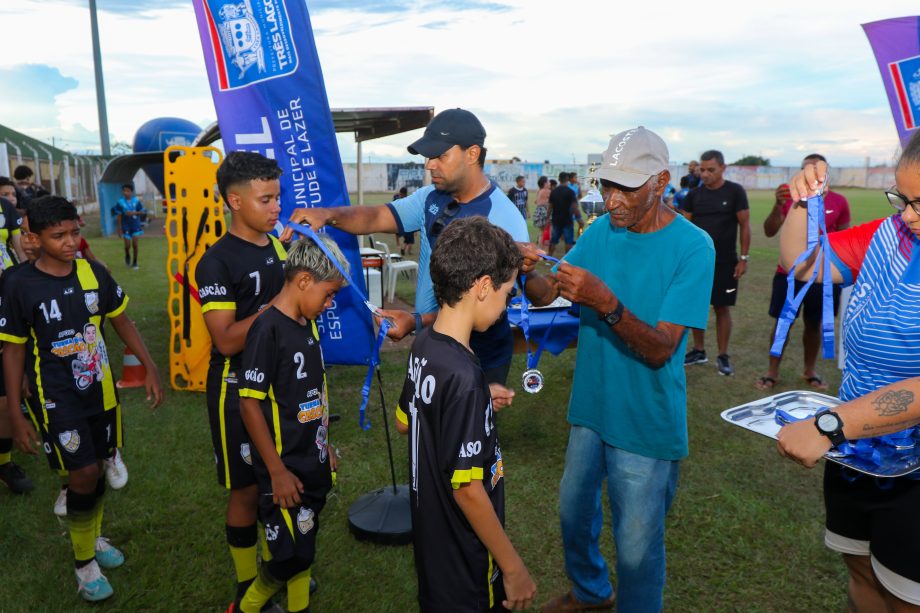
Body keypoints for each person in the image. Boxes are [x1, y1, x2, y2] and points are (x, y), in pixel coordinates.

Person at [520, 127, 714, 612]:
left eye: (625, 187)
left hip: (646, 420)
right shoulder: (602, 232)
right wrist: (527, 272)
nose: (610, 201)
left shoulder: (694, 247)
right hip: (592, 407)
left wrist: (606, 303)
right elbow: (549, 294)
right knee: (572, 514)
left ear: (662, 181)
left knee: (636, 549)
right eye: (606, 185)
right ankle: (591, 593)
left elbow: (661, 349)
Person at [775, 135, 920, 611]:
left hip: (901, 461)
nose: (909, 216)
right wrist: (805, 201)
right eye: (902, 199)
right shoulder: (887, 234)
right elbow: (802, 264)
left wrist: (830, 425)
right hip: (855, 455)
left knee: (907, 595)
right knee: (862, 571)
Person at [282, 108, 529, 386]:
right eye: (428, 156)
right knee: (418, 426)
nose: (429, 165)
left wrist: (418, 321)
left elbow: (489, 305)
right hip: (431, 346)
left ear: (472, 154)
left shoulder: (505, 220)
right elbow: (376, 216)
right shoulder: (429, 199)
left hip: (478, 356)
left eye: (440, 156)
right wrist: (328, 215)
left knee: (466, 427)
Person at [0, 195, 163, 601]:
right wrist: (17, 417)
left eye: (75, 232)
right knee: (84, 474)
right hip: (54, 397)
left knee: (98, 468)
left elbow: (121, 320)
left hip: (101, 393)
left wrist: (149, 366)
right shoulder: (19, 283)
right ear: (34, 238)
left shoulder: (93, 273)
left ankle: (92, 537)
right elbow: (14, 348)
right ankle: (83, 563)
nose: (71, 242)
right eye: (59, 236)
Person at [395, 216, 536, 612]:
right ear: (484, 286)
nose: (506, 305)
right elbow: (468, 490)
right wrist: (513, 567)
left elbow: (406, 420)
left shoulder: (425, 344)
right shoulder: (464, 374)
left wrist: (477, 402)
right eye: (507, 294)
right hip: (465, 559)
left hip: (433, 550)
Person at [235, 236, 347, 613]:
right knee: (289, 558)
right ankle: (246, 607)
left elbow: (316, 391)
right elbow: (249, 404)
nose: (330, 304)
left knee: (305, 545)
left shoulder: (307, 322)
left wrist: (325, 443)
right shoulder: (267, 328)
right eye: (329, 295)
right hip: (283, 471)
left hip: (310, 459)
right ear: (303, 281)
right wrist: (277, 472)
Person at [756, 154, 851, 391]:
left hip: (822, 276)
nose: (809, 175)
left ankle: (810, 370)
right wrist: (777, 205)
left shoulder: (839, 201)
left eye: (816, 170)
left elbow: (844, 238)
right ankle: (772, 371)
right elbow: (769, 231)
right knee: (782, 324)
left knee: (814, 324)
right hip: (788, 275)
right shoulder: (790, 198)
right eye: (804, 169)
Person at [682, 149, 751, 376]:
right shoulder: (693, 195)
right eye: (702, 169)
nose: (705, 174)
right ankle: (699, 350)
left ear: (723, 168)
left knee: (722, 307)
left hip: (725, 262)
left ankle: (722, 355)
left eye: (710, 170)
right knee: (695, 306)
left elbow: (745, 226)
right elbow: (685, 229)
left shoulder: (735, 192)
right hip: (697, 264)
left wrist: (743, 259)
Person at [547, 171, 583, 257]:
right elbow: (574, 207)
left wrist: (547, 218)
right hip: (567, 220)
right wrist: (579, 219)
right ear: (567, 180)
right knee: (568, 241)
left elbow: (550, 207)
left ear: (559, 179)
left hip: (556, 219)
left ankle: (549, 256)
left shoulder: (553, 191)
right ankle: (566, 259)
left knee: (554, 240)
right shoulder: (570, 192)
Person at [111, 184, 146, 269]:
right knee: (127, 245)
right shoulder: (120, 202)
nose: (126, 193)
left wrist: (134, 213)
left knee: (135, 244)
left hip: (135, 225)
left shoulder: (136, 201)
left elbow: (142, 212)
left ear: (131, 192)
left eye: (128, 191)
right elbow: (119, 216)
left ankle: (135, 262)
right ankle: (127, 255)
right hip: (125, 225)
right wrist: (119, 229)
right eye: (124, 191)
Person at [0, 177, 28, 265]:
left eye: (14, 194)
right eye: (5, 194)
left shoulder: (7, 207)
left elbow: (21, 251)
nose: (12, 198)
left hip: (8, 271)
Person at [392, 187, 416, 255]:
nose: (400, 195)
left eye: (400, 194)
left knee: (407, 239)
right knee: (410, 241)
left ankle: (403, 248)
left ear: (403, 193)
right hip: (407, 222)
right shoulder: (408, 200)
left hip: (404, 222)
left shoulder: (401, 200)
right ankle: (407, 250)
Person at [533, 176, 551, 248]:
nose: (549, 183)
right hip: (544, 211)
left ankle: (540, 247)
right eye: (548, 181)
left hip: (538, 210)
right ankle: (540, 249)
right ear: (545, 183)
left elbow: (536, 201)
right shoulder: (547, 191)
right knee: (544, 232)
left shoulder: (539, 191)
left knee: (542, 232)